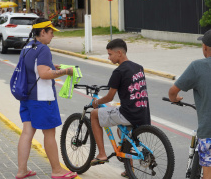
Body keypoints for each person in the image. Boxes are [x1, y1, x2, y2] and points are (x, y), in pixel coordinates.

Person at [15, 18, 77, 179]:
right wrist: (66, 71)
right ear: (42, 32)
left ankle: (22, 170)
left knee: (27, 132)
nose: (53, 36)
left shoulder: (27, 47)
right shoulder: (43, 49)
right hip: (42, 99)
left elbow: (34, 69)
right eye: (51, 33)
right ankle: (57, 170)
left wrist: (51, 67)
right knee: (49, 134)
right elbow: (43, 74)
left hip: (27, 97)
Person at [90, 39, 151, 176]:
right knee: (121, 130)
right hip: (143, 113)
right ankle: (129, 169)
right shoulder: (138, 67)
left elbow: (110, 97)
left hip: (128, 113)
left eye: (110, 54)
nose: (108, 57)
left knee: (94, 114)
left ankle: (101, 154)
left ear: (119, 53)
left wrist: (97, 102)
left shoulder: (118, 71)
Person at [168, 29, 211, 179]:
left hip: (208, 131)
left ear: (205, 47)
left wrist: (174, 98)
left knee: (208, 172)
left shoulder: (197, 67)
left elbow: (173, 91)